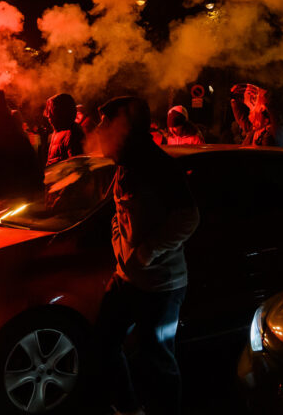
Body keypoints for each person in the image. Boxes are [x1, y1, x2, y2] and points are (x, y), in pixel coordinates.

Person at [95, 96, 200, 415]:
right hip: (126, 279)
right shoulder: (124, 165)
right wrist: (120, 246)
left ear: (125, 127)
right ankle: (129, 408)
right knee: (104, 344)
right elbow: (119, 213)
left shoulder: (157, 166)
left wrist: (145, 253)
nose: (99, 130)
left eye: (105, 123)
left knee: (157, 360)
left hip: (160, 286)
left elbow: (189, 217)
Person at [44, 93, 85, 166]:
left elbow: (77, 166)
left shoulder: (72, 133)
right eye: (48, 110)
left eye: (51, 110)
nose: (48, 115)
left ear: (61, 111)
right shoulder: (56, 132)